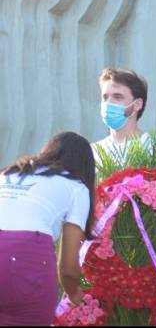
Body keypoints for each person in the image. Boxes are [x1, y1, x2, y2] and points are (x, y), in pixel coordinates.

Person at [0, 131, 95, 326]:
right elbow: (68, 268)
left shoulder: (8, 172)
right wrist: (75, 292)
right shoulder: (77, 187)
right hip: (25, 263)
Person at [92, 67, 150, 166]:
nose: (108, 102)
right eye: (105, 97)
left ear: (137, 104)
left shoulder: (151, 148)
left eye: (117, 97)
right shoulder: (94, 151)